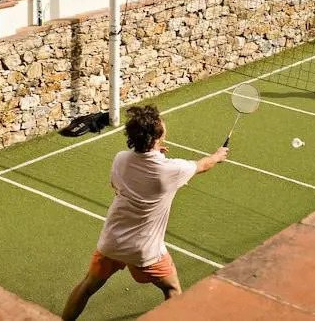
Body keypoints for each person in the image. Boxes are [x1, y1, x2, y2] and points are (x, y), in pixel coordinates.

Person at [62, 105, 228, 320]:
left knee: (87, 287)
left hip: (112, 242)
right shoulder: (173, 170)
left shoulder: (120, 159)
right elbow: (204, 165)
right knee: (173, 290)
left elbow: (117, 186)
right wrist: (218, 155)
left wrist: (155, 154)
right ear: (157, 137)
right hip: (145, 250)